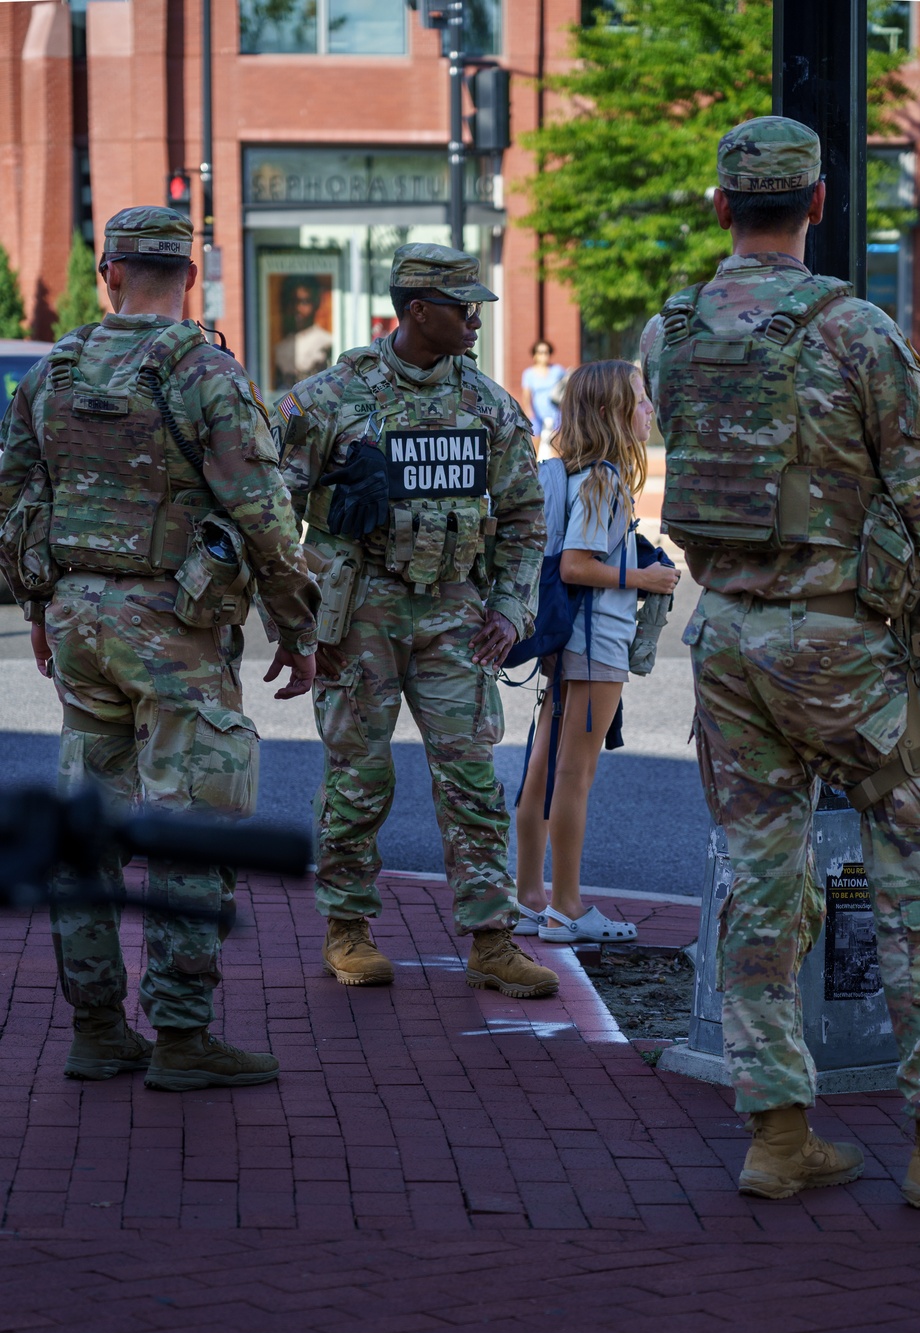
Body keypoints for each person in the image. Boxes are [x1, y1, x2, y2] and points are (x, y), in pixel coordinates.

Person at [642, 115, 920, 1210]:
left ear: (719, 207)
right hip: (843, 646)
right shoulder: (853, 331)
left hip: (728, 642)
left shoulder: (672, 332)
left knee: (758, 879)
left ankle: (777, 1134)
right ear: (817, 204)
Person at [0, 205, 320, 1091]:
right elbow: (263, 513)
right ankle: (182, 1037)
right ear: (190, 274)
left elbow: (16, 499)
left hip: (76, 622)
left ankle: (98, 1030)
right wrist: (296, 629)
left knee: (86, 834)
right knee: (189, 824)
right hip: (174, 631)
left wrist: (39, 605)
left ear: (109, 272)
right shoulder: (204, 370)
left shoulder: (55, 370)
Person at [273, 242, 559, 999]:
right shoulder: (329, 401)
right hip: (359, 612)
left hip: (454, 615)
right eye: (463, 306)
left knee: (471, 777)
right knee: (359, 777)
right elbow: (269, 516)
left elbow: (528, 520)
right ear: (417, 310)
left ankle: (492, 939)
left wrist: (508, 607)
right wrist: (298, 626)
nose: (475, 319)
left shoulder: (490, 406)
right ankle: (347, 927)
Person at [515, 360, 679, 942]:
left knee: (544, 764)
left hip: (568, 642)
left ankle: (531, 895)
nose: (648, 409)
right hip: (594, 643)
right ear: (611, 411)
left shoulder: (573, 472)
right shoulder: (605, 479)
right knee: (574, 774)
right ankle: (567, 907)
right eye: (639, 399)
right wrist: (646, 580)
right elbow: (576, 565)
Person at [274, 275, 333, 391]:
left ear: (316, 303)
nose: (298, 309)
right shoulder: (280, 347)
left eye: (304, 302)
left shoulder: (326, 341)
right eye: (293, 302)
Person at [520, 340, 567, 457]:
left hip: (556, 410)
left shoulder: (558, 370)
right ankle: (534, 469)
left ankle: (557, 467)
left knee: (558, 443)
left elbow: (566, 385)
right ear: (535, 354)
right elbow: (526, 395)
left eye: (546, 352)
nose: (543, 355)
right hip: (537, 412)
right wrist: (528, 412)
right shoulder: (529, 373)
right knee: (534, 443)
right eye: (540, 352)